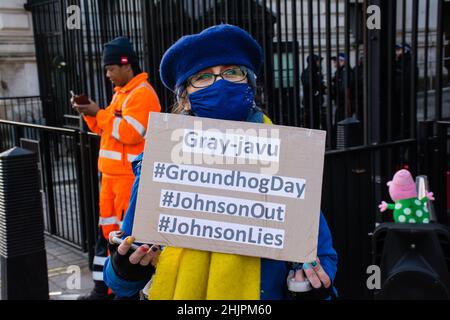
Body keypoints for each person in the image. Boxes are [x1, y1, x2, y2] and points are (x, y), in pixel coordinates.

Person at [103, 24, 338, 300]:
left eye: (232, 72)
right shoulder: (161, 161)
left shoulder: (285, 157)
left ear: (249, 85)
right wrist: (125, 269)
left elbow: (321, 256)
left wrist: (310, 285)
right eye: (202, 77)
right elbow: (125, 271)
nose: (220, 83)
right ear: (186, 98)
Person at [71, 36, 161, 300]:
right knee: (106, 236)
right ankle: (102, 291)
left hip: (127, 182)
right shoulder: (122, 94)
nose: (108, 74)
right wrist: (89, 113)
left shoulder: (142, 93)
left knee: (123, 239)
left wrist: (100, 112)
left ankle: (119, 293)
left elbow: (130, 133)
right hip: (111, 180)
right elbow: (104, 128)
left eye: (111, 68)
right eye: (106, 69)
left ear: (126, 65)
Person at [301, 54, 326, 129]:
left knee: (317, 124)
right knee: (311, 126)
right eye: (318, 61)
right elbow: (308, 85)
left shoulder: (316, 72)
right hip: (310, 104)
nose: (319, 63)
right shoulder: (308, 73)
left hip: (316, 104)